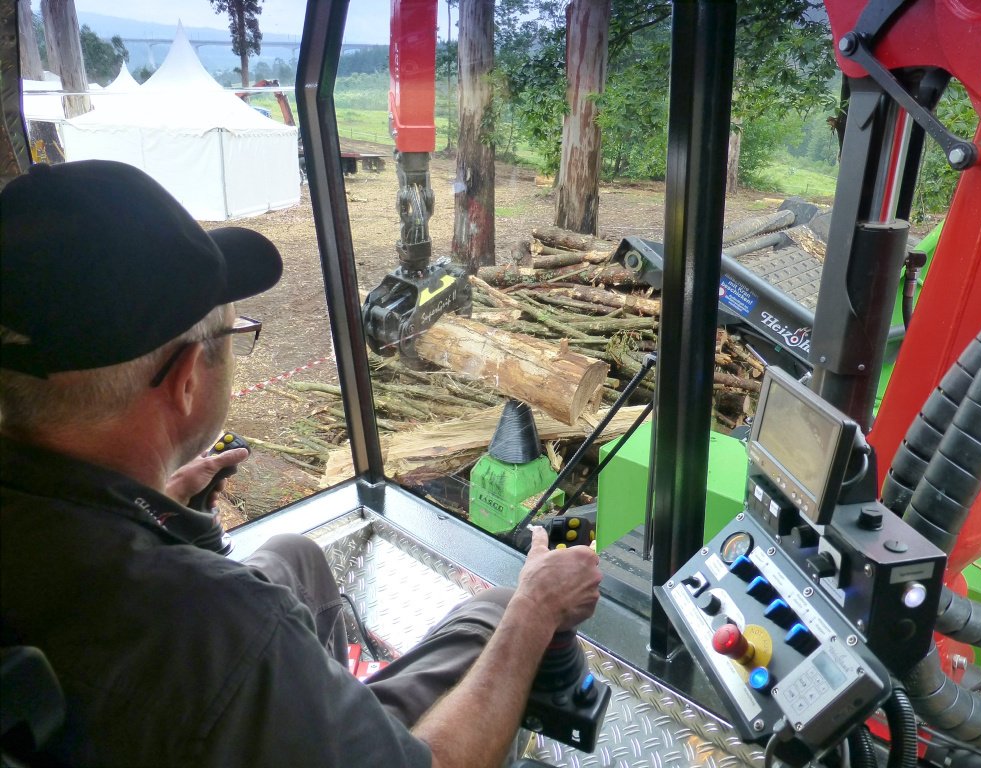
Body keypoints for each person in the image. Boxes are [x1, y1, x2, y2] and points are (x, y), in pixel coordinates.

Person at [0, 160, 603, 767]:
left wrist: (159, 509)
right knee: (498, 611)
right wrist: (537, 609)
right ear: (185, 382)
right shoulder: (223, 625)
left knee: (296, 555)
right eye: (235, 335)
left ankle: (328, 705)